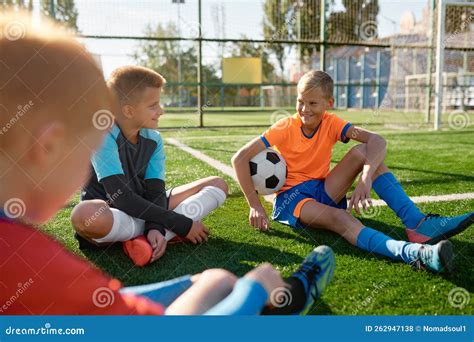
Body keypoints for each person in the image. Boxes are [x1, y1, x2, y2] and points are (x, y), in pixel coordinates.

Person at [0, 12, 334, 316]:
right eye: (83, 145)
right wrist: (254, 286)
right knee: (87, 214)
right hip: (120, 212)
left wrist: (164, 234)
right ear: (48, 144)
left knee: (215, 277)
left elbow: (154, 192)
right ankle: (291, 293)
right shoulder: (25, 262)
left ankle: (153, 239)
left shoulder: (19, 247)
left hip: (145, 212)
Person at [232, 70, 473, 274]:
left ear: (329, 103)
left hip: (321, 188)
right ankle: (415, 253)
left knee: (363, 151)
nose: (304, 109)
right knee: (343, 219)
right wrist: (255, 204)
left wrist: (365, 178)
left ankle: (417, 223)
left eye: (312, 103)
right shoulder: (284, 127)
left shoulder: (332, 123)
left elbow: (376, 141)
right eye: (300, 101)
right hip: (292, 199)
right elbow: (240, 159)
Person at [71, 65, 228, 266]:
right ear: (128, 110)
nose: (161, 111)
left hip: (146, 207)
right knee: (83, 215)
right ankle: (159, 233)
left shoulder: (153, 138)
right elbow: (122, 199)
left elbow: (155, 192)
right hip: (113, 215)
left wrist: (155, 226)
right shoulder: (102, 134)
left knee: (218, 184)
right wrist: (180, 223)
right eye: (153, 105)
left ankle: (148, 238)